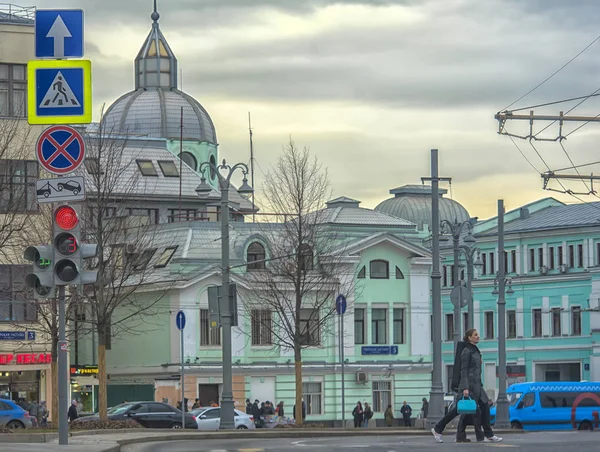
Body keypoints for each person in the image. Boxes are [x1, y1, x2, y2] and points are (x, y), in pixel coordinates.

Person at [455, 328, 502, 443]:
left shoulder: (475, 350)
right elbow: (464, 370)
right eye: (475, 335)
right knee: (469, 411)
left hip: (477, 384)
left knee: (484, 406)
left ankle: (488, 434)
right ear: (469, 338)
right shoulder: (467, 351)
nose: (478, 336)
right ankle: (467, 436)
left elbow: (475, 369)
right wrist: (465, 387)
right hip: (470, 385)